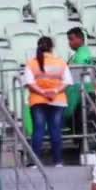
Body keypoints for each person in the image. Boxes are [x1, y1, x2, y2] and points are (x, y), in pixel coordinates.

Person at [24, 36, 73, 167]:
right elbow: (68, 81)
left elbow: (29, 83)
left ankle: (35, 162)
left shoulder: (31, 63)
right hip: (58, 100)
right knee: (55, 130)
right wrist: (55, 92)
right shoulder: (60, 62)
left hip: (37, 100)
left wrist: (42, 92)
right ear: (52, 47)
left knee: (38, 130)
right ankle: (58, 161)